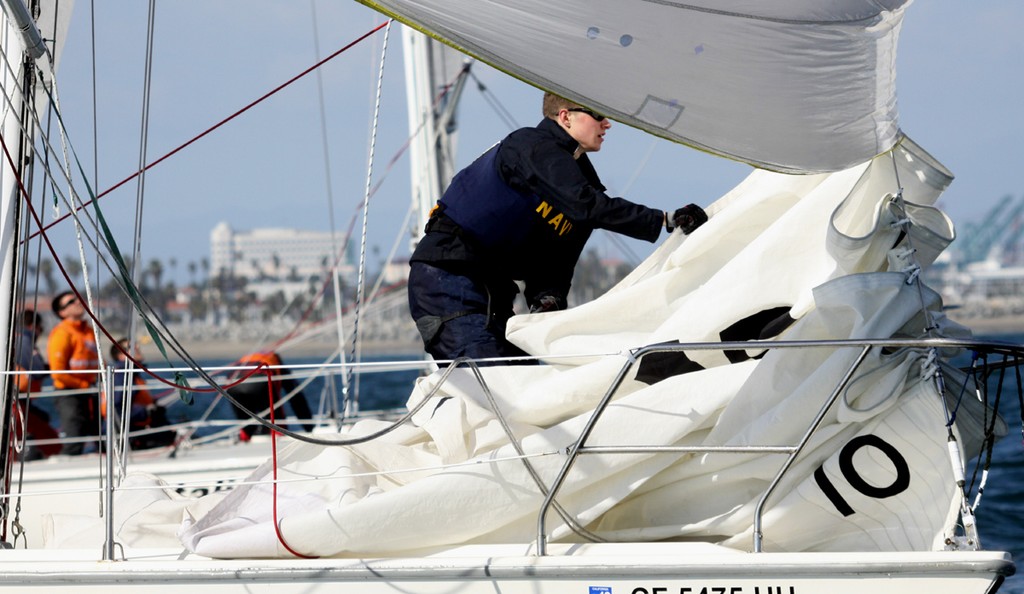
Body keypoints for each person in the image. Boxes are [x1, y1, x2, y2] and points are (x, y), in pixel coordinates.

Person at [408, 92, 708, 365]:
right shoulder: (531, 145)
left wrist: (548, 297)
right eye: (598, 115)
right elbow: (586, 205)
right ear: (565, 116)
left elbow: (558, 260)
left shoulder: (585, 184)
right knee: (495, 380)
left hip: (494, 291)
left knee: (524, 379)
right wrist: (664, 220)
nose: (607, 124)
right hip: (448, 277)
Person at [47, 291, 101, 455]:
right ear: (62, 312)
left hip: (91, 390)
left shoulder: (89, 331)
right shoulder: (62, 333)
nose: (78, 302)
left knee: (100, 432)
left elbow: (97, 360)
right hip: (69, 393)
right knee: (74, 433)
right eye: (71, 301)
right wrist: (83, 385)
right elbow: (58, 373)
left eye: (78, 299)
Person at [106, 338, 175, 450]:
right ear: (121, 355)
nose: (137, 348)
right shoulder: (121, 376)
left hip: (142, 426)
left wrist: (154, 407)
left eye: (137, 346)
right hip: (132, 434)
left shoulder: (133, 374)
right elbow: (116, 410)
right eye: (131, 347)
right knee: (169, 435)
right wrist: (146, 411)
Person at [226, 351, 314, 439]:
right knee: (277, 421)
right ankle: (278, 435)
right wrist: (309, 427)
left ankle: (245, 437)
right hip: (261, 380)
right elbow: (295, 396)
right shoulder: (276, 360)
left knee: (245, 421)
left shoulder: (248, 358)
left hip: (233, 383)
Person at [11, 310, 60, 460]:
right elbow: (37, 370)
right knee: (50, 439)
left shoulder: (15, 339)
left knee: (39, 420)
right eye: (41, 329)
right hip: (17, 402)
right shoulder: (25, 341)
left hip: (20, 401)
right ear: (33, 326)